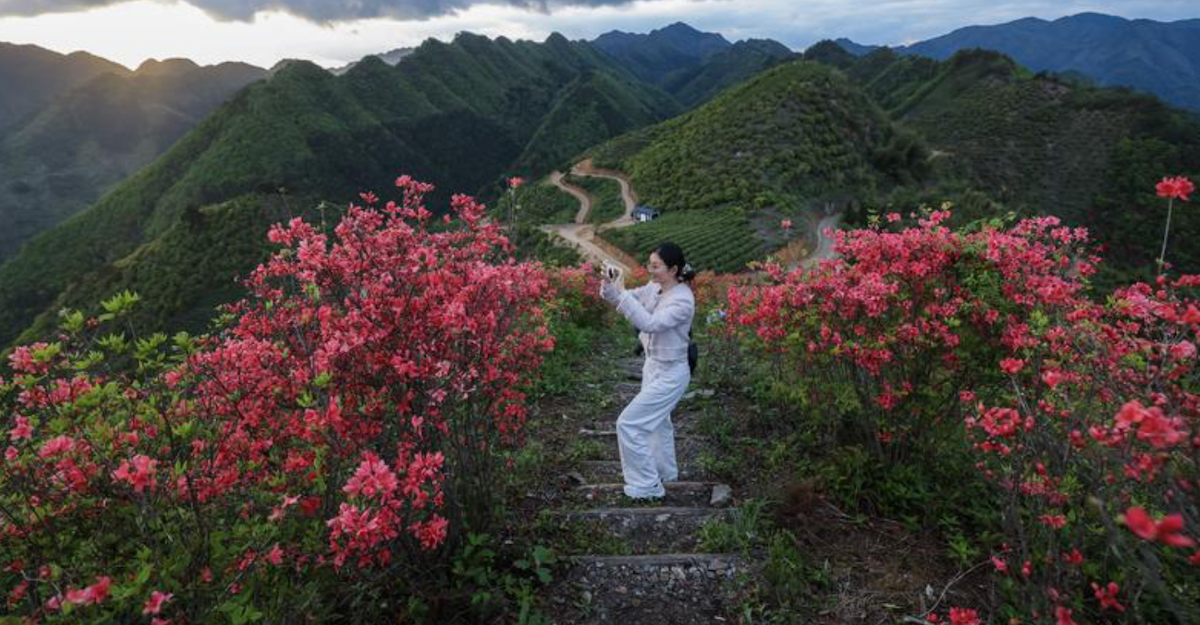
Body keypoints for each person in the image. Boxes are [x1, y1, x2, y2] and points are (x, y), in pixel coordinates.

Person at [599, 242, 697, 499]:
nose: (650, 271)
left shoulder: (683, 300)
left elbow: (650, 323)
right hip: (653, 365)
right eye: (649, 265)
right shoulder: (655, 288)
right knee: (658, 424)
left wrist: (621, 294)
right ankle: (665, 473)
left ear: (673, 269)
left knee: (629, 424)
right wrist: (610, 283)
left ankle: (647, 484)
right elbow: (622, 298)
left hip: (672, 372)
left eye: (656, 266)